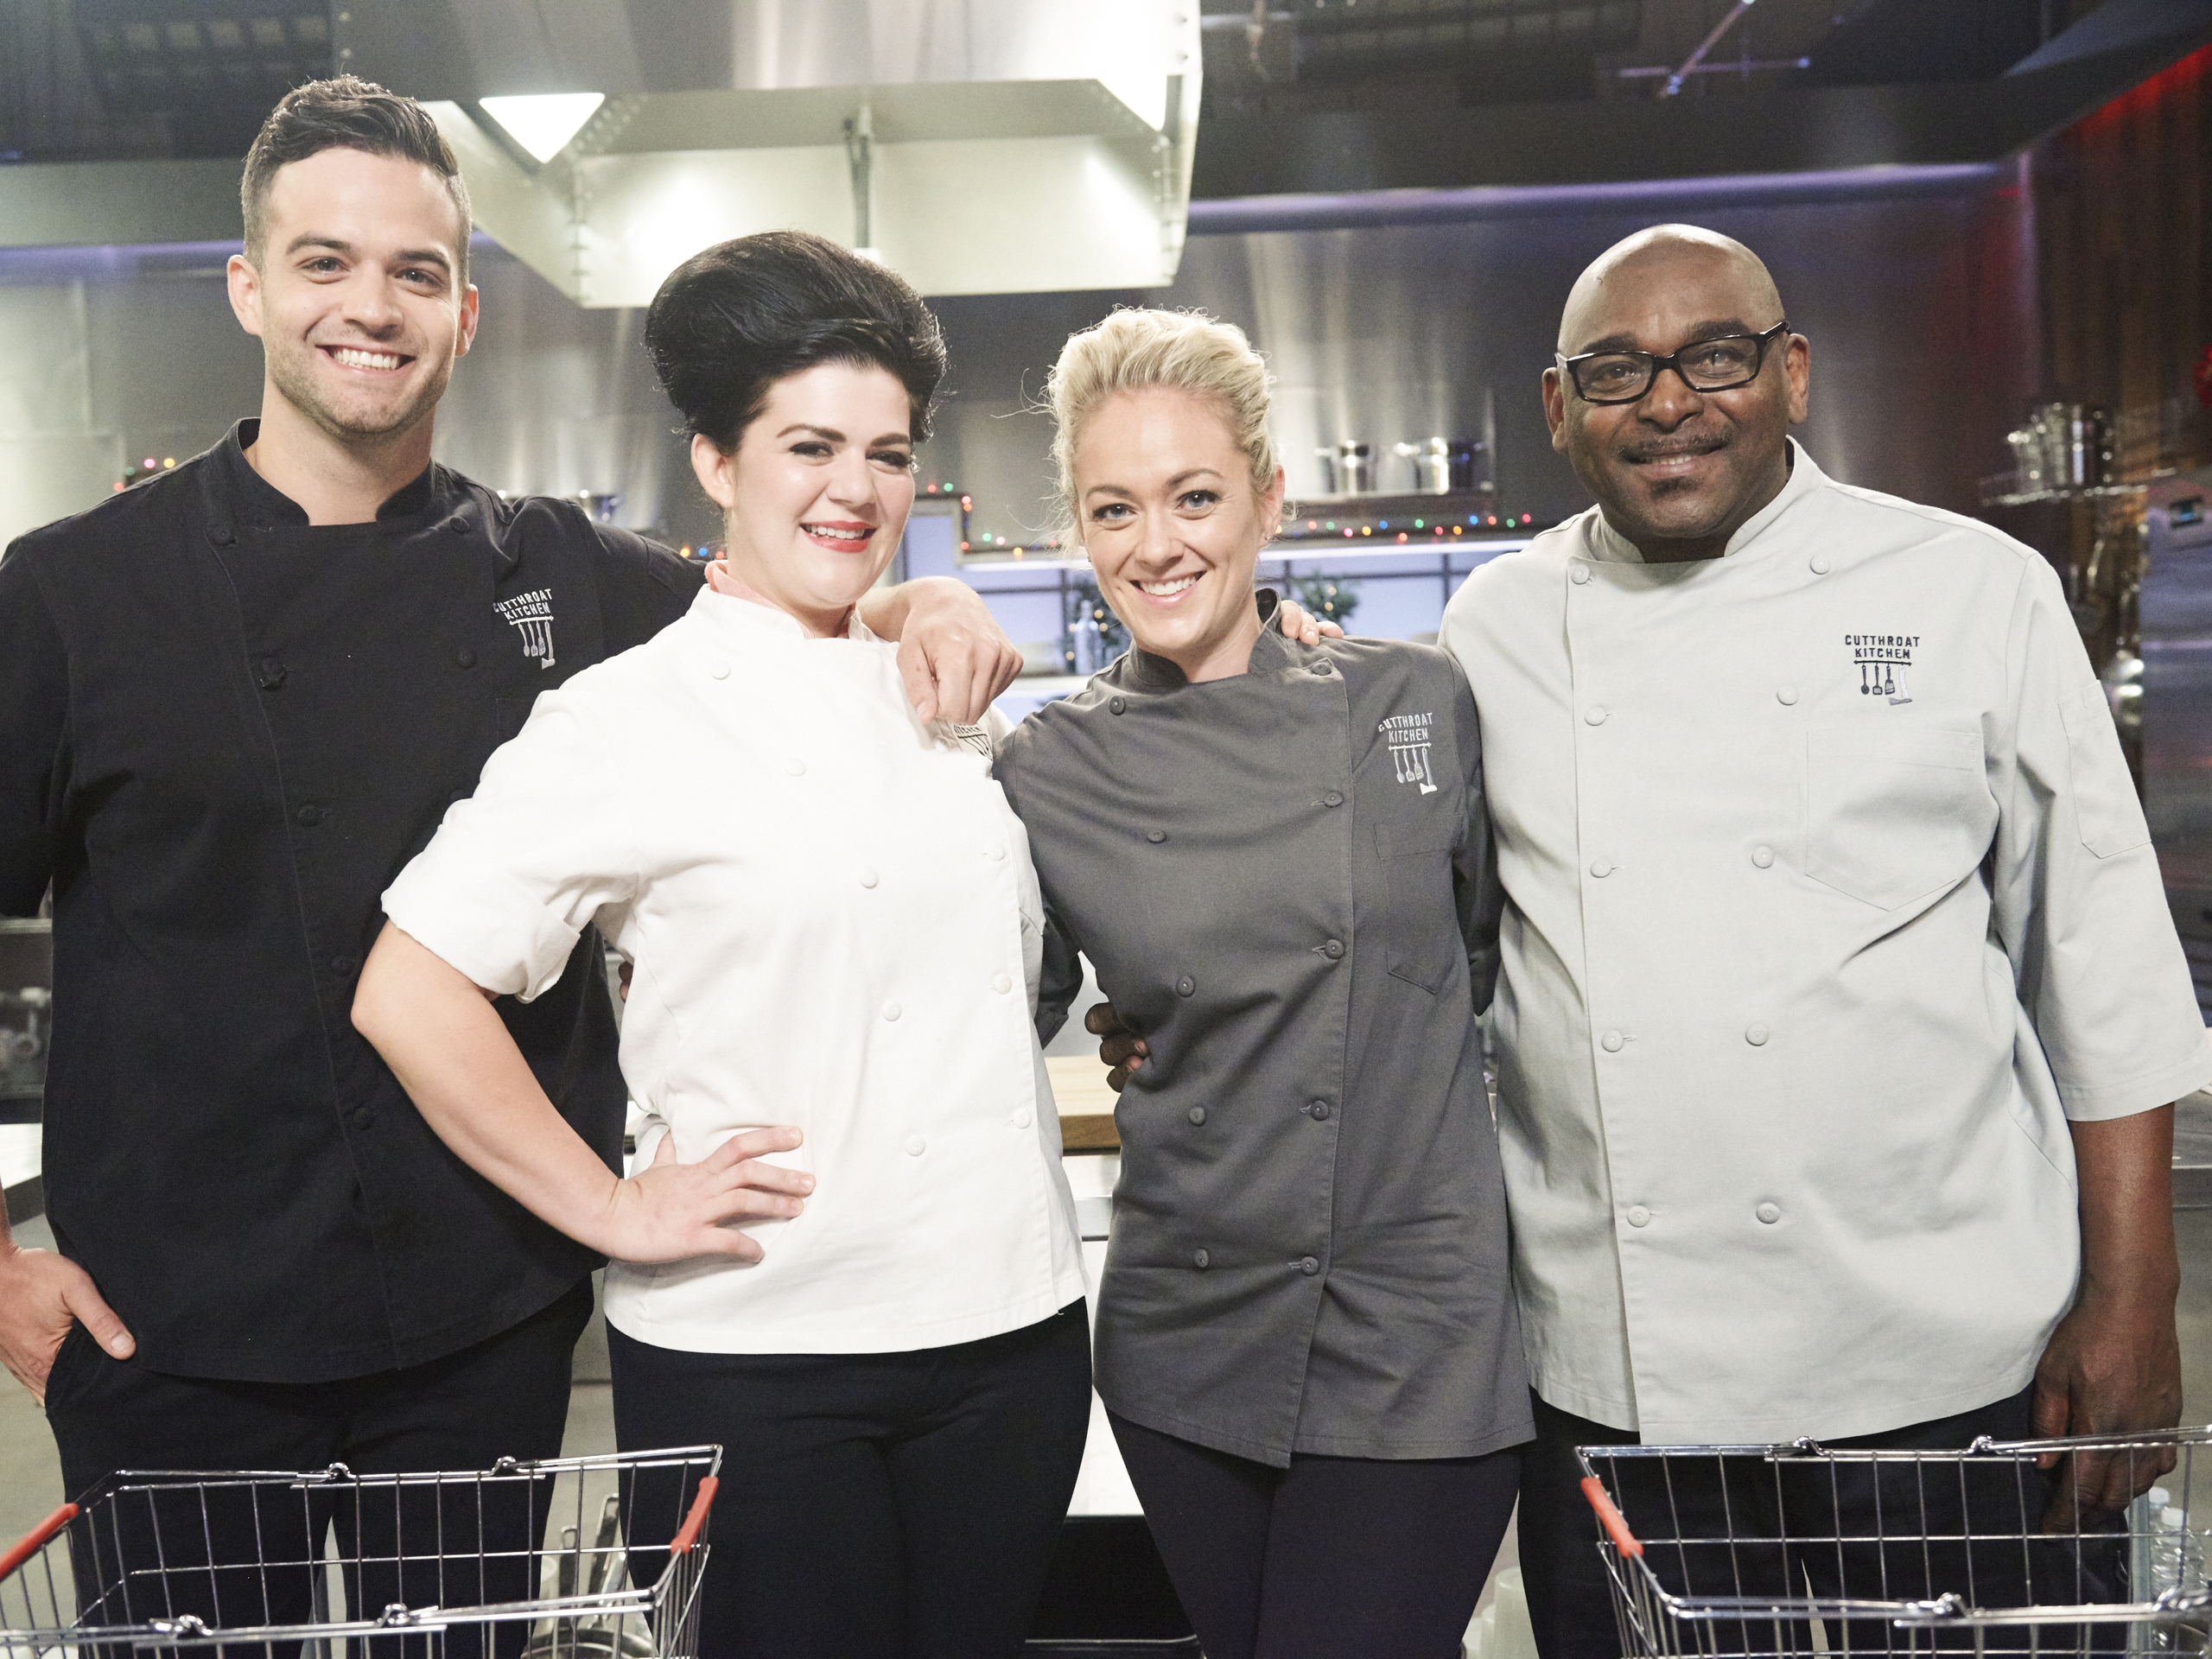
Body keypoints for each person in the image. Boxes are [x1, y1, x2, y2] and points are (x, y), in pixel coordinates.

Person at [0, 79, 1018, 1639]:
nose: (372, 308)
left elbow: (782, 595)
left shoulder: (564, 572)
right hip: (168, 1331)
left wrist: (922, 602)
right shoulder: (73, 596)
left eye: (416, 272)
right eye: (326, 262)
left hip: (478, 1322)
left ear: (465, 314)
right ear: (248, 288)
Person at [1433, 225, 2209, 1651]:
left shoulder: (1973, 591)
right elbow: (1428, 938)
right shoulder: (1493, 628)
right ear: (1558, 405)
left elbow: (2104, 968)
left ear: (1791, 373)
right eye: (1616, 371)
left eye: (1715, 356)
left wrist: (2135, 1298)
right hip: (1620, 1382)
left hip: (1951, 1364)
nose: (1670, 403)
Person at [350, 230, 1092, 1659]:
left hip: (1012, 1331)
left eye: (888, 454)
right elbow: (409, 985)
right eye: (809, 446)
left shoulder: (944, 687)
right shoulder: (624, 718)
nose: (855, 490)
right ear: (716, 462)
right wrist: (611, 1209)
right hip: (760, 1355)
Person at [991, 308, 1530, 1659]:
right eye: (1114, 508)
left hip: (1416, 1319)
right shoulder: (1050, 767)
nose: (1155, 544)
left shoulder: (1417, 704)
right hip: (1188, 1326)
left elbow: (1485, 962)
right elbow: (992, 1013)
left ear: (1269, 500)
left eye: (1194, 497)